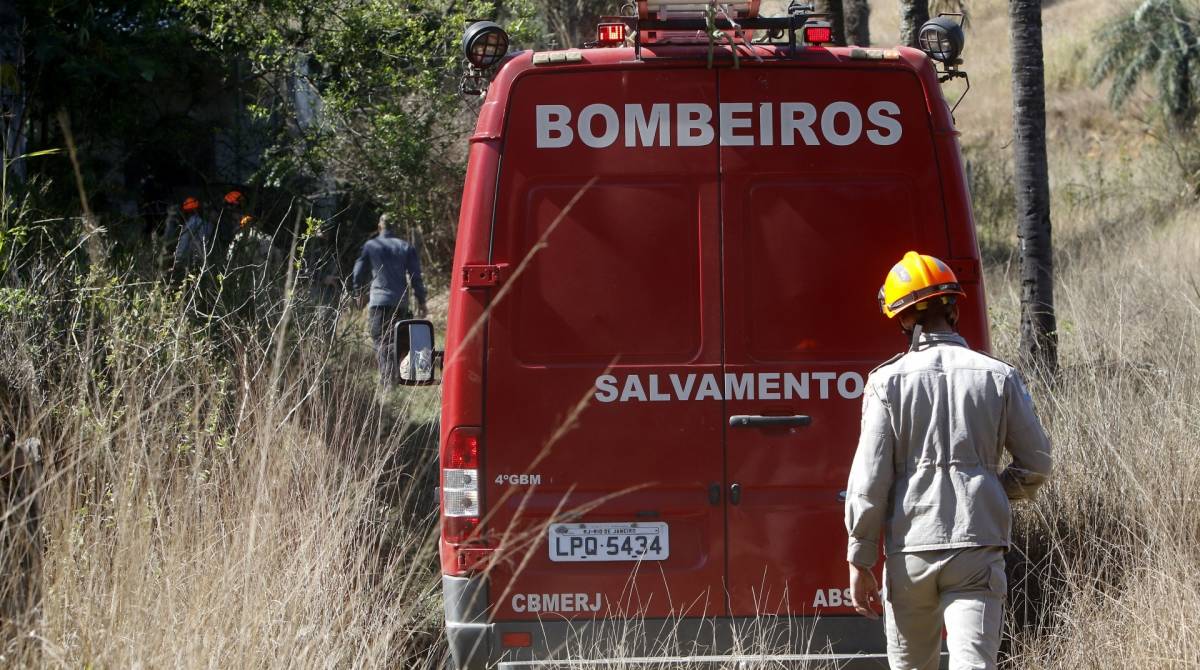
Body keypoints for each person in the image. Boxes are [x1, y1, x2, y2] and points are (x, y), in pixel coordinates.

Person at [844, 251, 1053, 670]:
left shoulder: (885, 383)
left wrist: (860, 558)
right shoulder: (998, 376)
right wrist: (993, 488)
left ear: (904, 319)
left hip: (910, 552)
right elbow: (1038, 462)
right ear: (954, 309)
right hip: (977, 548)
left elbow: (869, 482)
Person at [352, 214, 427, 384]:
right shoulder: (405, 246)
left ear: (380, 227)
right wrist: (421, 300)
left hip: (379, 303)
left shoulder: (371, 246)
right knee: (399, 342)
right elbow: (416, 276)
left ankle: (387, 383)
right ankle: (398, 380)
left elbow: (358, 273)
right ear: (396, 228)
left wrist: (359, 293)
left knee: (381, 341)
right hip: (401, 304)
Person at [173, 196, 213, 270]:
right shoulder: (208, 224)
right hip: (204, 261)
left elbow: (183, 242)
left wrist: (177, 260)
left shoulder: (192, 223)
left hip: (191, 261)